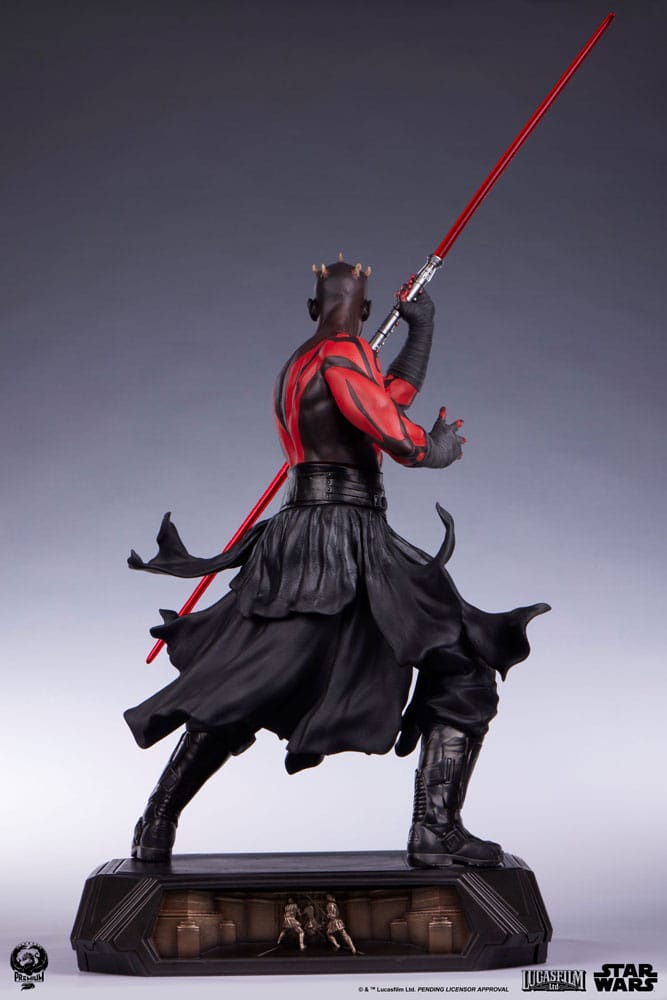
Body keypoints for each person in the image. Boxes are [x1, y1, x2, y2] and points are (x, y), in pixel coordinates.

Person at [126, 258, 548, 868]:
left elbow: (383, 399)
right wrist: (437, 448)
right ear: (367, 311)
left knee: (245, 681)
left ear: (312, 308)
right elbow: (395, 434)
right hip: (342, 540)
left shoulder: (303, 361)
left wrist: (421, 332)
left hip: (306, 534)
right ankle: (435, 829)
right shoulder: (342, 357)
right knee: (462, 662)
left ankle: (156, 822)